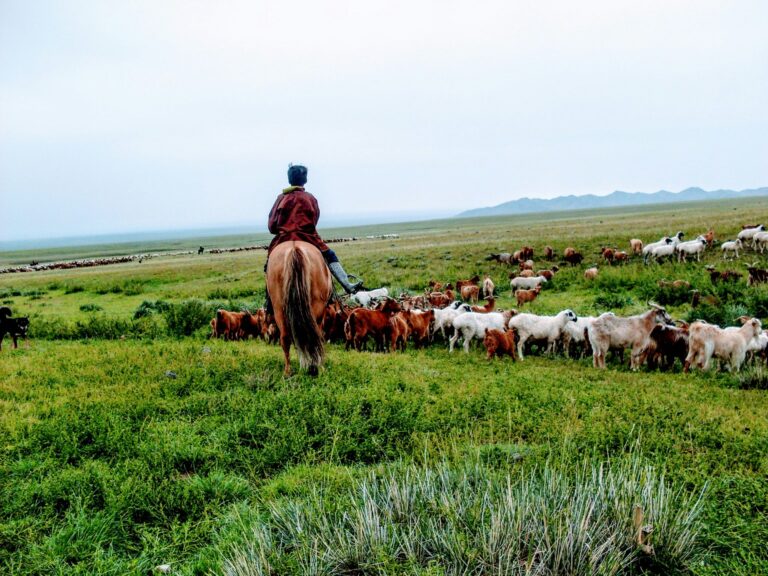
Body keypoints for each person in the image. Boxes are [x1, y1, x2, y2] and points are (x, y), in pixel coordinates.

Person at [264, 164, 363, 313]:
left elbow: (272, 226)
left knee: (269, 266)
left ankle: (270, 302)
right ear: (305, 180)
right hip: (308, 237)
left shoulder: (280, 198)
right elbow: (314, 220)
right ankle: (347, 285)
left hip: (283, 239)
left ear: (289, 179)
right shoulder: (310, 198)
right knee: (330, 256)